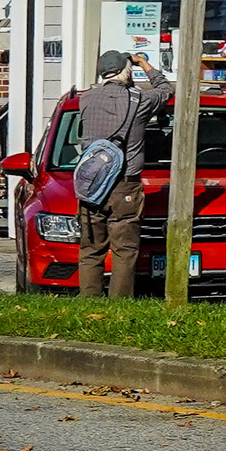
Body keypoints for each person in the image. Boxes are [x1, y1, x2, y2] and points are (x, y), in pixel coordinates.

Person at [74, 50, 155, 298]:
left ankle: (89, 302)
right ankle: (119, 305)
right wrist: (144, 64)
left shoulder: (85, 99)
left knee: (90, 249)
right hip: (124, 185)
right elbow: (166, 89)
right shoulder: (139, 100)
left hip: (92, 184)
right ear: (127, 71)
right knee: (125, 249)